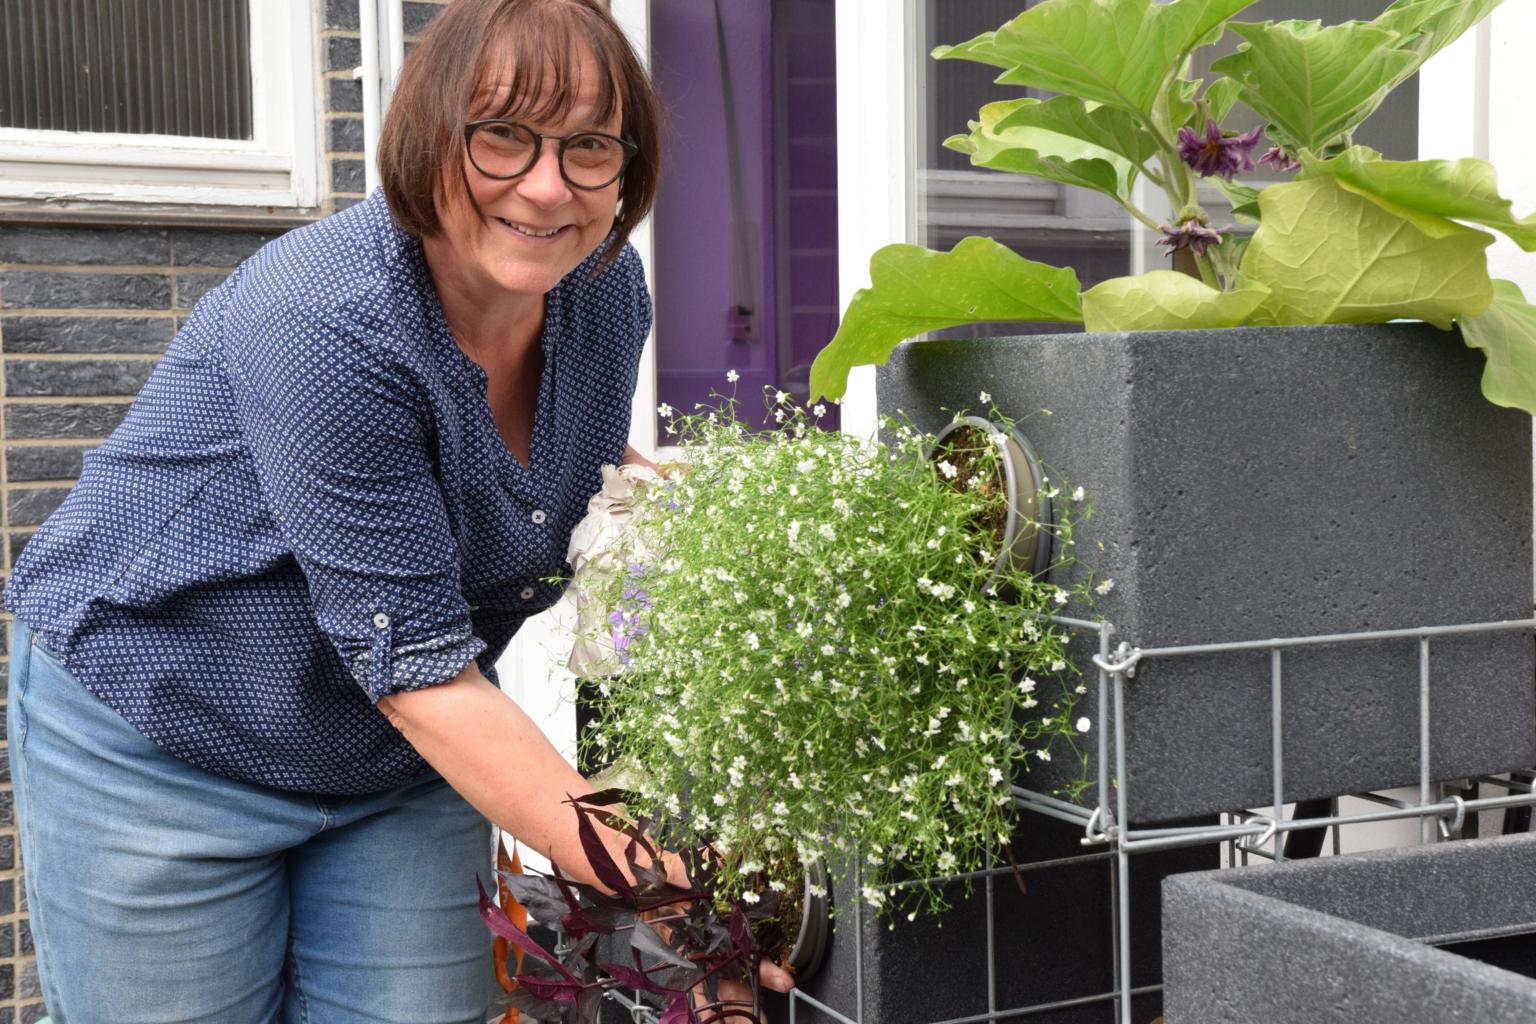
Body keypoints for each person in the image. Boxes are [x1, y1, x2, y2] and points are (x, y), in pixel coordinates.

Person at [4, 1, 791, 1020]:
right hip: (169, 731)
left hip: (393, 755)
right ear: (427, 139)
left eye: (590, 145)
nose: (547, 187)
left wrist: (745, 540)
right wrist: (671, 883)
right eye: (502, 135)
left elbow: (559, 467)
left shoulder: (603, 289)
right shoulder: (328, 318)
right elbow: (421, 667)